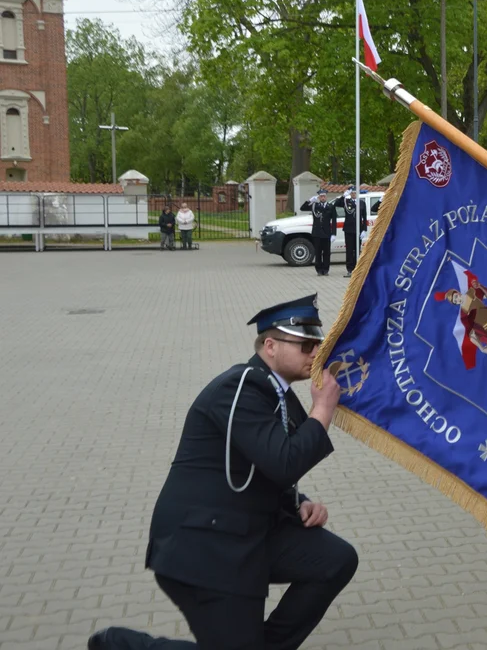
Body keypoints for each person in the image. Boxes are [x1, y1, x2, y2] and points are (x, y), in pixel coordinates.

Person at [89, 295, 358, 649]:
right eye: (307, 344)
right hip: (203, 547)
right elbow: (283, 461)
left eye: (318, 345)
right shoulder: (239, 388)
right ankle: (122, 643)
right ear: (271, 346)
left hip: (246, 532)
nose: (316, 353)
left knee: (335, 559)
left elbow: (267, 469)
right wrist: (322, 410)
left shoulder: (279, 397)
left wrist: (299, 503)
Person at [301, 188, 337, 276]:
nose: (323, 198)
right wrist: (309, 200)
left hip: (327, 233)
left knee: (327, 253)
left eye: (324, 196)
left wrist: (333, 234)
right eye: (321, 196)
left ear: (326, 197)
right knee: (318, 252)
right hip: (317, 233)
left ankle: (326, 269)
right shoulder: (314, 206)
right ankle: (319, 270)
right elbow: (302, 208)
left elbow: (334, 221)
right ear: (319, 197)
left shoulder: (331, 207)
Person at [334, 186, 367, 277]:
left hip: (358, 230)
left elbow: (364, 217)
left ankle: (357, 268)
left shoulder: (362, 203)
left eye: (355, 193)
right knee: (349, 250)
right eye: (352, 193)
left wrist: (364, 229)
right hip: (348, 230)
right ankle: (350, 269)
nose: (353, 194)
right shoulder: (346, 202)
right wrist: (343, 196)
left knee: (357, 250)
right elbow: (336, 204)